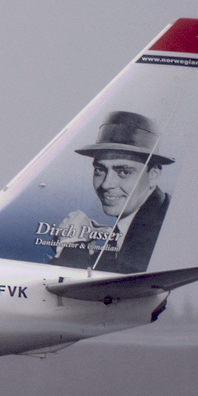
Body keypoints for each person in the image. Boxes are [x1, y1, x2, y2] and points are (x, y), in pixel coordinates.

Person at [49, 110, 171, 273]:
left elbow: (120, 291)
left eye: (123, 172)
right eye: (100, 170)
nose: (106, 184)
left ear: (154, 175)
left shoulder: (163, 229)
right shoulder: (133, 227)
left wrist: (72, 244)